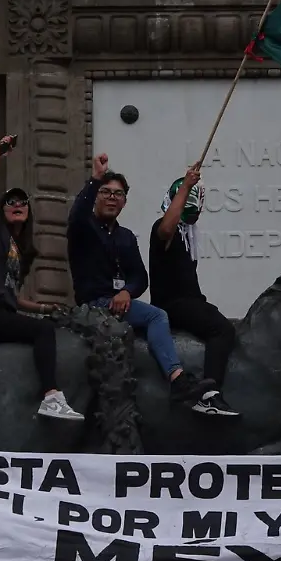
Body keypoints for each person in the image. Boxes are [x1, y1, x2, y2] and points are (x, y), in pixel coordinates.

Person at [68, 153, 224, 415]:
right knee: (156, 316)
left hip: (120, 302)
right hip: (94, 303)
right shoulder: (83, 228)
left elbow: (140, 276)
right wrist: (95, 179)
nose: (111, 198)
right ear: (96, 196)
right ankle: (177, 379)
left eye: (118, 194)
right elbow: (77, 214)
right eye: (105, 192)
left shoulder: (126, 237)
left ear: (124, 202)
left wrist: (127, 292)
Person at [0, 134, 83, 421]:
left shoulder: (22, 252)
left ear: (28, 212)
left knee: (44, 324)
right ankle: (51, 395)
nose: (17, 204)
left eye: (22, 202)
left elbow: (13, 297)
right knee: (43, 333)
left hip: (2, 311)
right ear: (3, 212)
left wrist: (43, 308)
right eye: (10, 202)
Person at [148, 166, 238, 416]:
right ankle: (209, 395)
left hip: (190, 300)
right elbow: (167, 227)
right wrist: (186, 185)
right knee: (221, 328)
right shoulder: (164, 230)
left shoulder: (188, 235)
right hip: (173, 303)